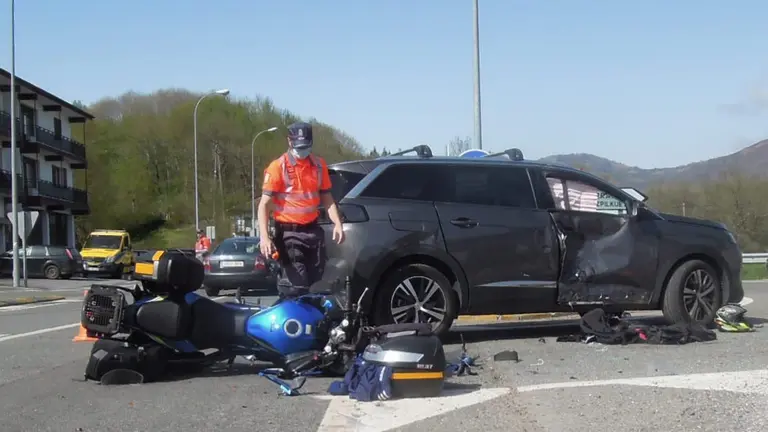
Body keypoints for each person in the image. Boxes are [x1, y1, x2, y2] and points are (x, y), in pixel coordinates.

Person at [257, 122, 344, 298]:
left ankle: (312, 323)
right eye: (298, 146)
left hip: (313, 232)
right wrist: (264, 237)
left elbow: (327, 198)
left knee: (315, 285)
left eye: (306, 146)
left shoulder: (319, 166)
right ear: (290, 142)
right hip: (289, 234)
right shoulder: (278, 167)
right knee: (297, 286)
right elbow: (264, 205)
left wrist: (337, 223)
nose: (302, 151)